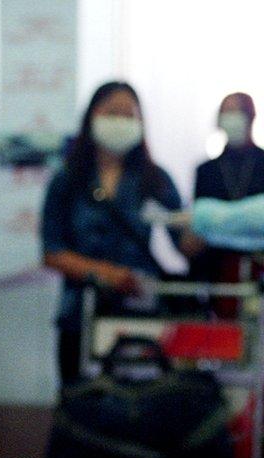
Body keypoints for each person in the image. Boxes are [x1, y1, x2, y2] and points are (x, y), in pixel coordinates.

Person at [40, 81, 184, 387]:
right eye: (111, 112)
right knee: (82, 405)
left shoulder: (155, 179)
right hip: (80, 314)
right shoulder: (67, 180)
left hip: (140, 314)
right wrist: (104, 273)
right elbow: (51, 251)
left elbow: (185, 243)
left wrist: (215, 222)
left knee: (141, 408)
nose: (119, 121)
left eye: (127, 114)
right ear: (92, 116)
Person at [186, 93, 264, 314]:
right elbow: (197, 229)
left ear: (251, 116)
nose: (231, 118)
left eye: (237, 111)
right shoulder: (206, 171)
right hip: (216, 273)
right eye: (226, 112)